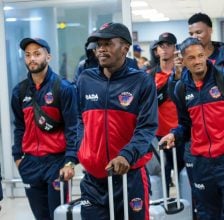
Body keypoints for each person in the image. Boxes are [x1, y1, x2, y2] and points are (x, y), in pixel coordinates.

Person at [160, 37, 224, 220]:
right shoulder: (181, 89)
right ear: (183, 60)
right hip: (201, 165)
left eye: (200, 55)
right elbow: (186, 126)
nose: (197, 61)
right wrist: (174, 135)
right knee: (207, 216)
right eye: (191, 58)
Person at [76, 22, 158, 219]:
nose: (101, 49)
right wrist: (82, 149)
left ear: (125, 48)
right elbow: (78, 119)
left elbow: (146, 128)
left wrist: (126, 156)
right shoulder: (86, 79)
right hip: (93, 180)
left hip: (130, 178)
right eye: (98, 45)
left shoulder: (142, 82)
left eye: (107, 44)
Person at [11, 37, 78, 220]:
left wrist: (70, 160)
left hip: (57, 163)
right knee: (41, 217)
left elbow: (74, 126)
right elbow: (18, 127)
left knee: (59, 215)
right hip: (30, 164)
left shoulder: (64, 88)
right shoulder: (20, 91)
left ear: (48, 57)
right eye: (28, 55)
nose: (32, 59)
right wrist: (18, 157)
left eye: (37, 54)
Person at [150, 32, 185, 193]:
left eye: (168, 46)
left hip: (181, 133)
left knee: (184, 176)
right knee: (161, 176)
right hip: (158, 135)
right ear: (156, 51)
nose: (164, 49)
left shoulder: (185, 74)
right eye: (161, 46)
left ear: (174, 49)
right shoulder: (149, 76)